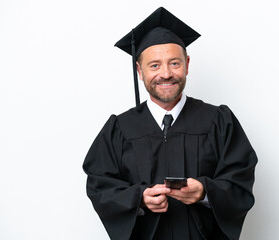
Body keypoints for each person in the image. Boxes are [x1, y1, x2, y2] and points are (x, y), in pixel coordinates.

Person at [83, 7, 257, 240]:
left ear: (186, 64)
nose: (165, 74)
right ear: (140, 71)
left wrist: (205, 192)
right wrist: (139, 198)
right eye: (154, 65)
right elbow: (100, 187)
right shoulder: (120, 128)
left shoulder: (218, 121)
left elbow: (240, 181)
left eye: (174, 63)